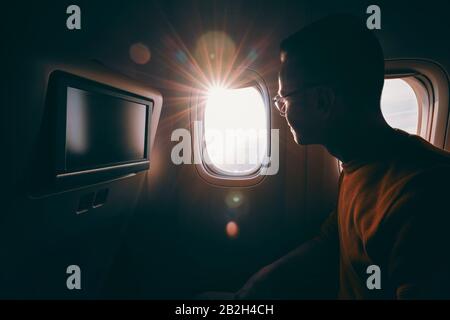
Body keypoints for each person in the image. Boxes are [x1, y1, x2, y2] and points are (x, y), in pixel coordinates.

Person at [235, 14, 450, 299]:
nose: (282, 110)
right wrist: (257, 286)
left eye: (284, 99)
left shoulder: (422, 194)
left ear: (323, 101)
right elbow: (331, 240)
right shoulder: (357, 162)